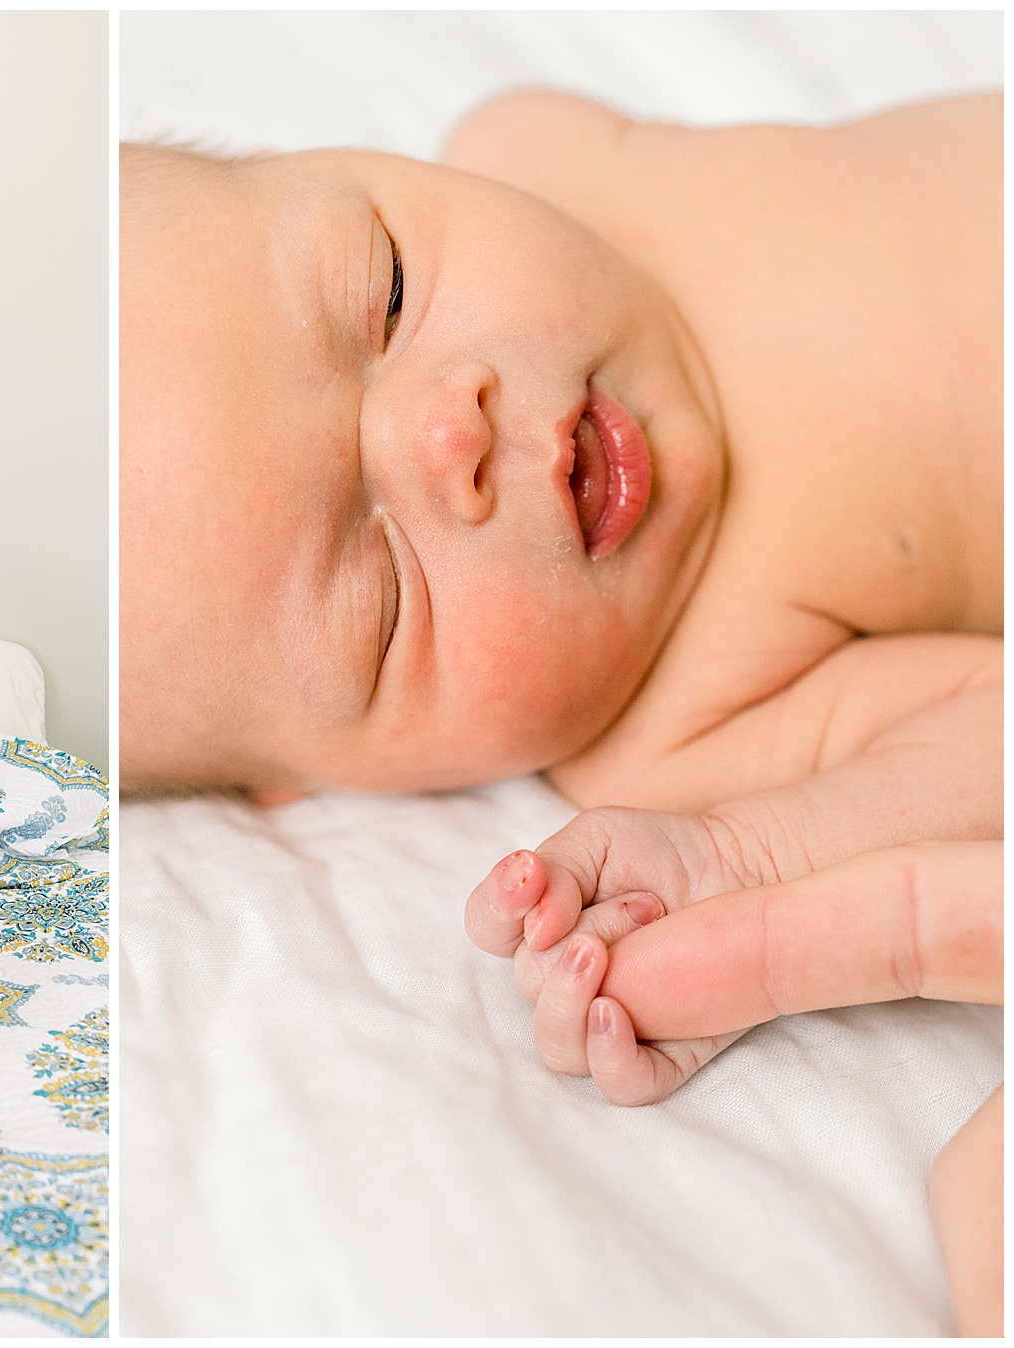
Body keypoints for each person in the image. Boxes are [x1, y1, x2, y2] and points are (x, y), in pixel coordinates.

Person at [121, 90, 999, 1331]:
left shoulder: (540, 149)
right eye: (379, 596)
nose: (448, 433)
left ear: (321, 155)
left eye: (380, 296)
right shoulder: (672, 720)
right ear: (318, 776)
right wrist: (741, 858)